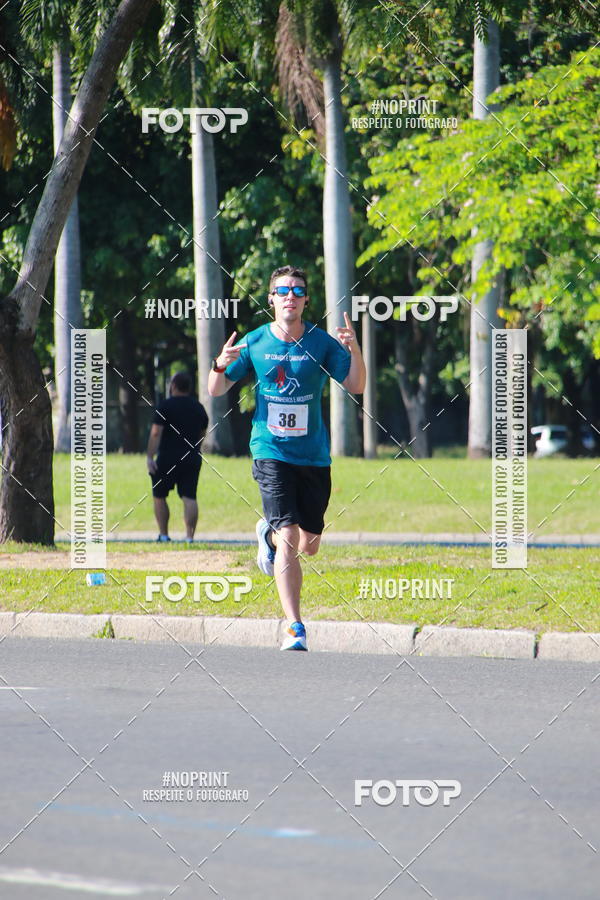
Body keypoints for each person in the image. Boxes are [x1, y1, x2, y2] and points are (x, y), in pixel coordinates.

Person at [208, 265, 366, 650]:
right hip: (270, 450)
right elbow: (216, 388)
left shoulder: (321, 343)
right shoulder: (256, 341)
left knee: (309, 543)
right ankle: (294, 626)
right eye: (283, 290)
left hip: (313, 457)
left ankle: (267, 534)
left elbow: (357, 385)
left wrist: (355, 350)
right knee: (290, 536)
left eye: (297, 290)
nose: (290, 296)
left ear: (306, 299)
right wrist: (219, 362)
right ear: (272, 299)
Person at [146, 371, 208, 542]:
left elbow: (156, 433)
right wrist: (196, 448)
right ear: (189, 388)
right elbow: (203, 432)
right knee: (189, 496)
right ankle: (189, 538)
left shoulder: (165, 406)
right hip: (192, 457)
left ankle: (164, 535)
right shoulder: (198, 407)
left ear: (173, 386)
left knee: (159, 495)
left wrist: (150, 457)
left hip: (167, 457)